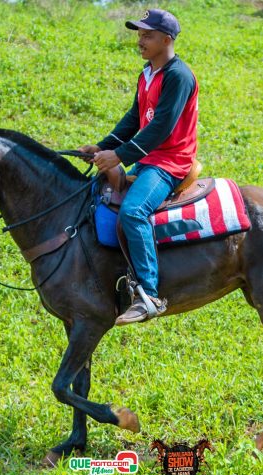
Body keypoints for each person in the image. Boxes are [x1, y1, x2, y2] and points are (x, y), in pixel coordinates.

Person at [79, 8, 199, 325]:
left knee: (132, 211)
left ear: (166, 39)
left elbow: (161, 127)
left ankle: (149, 295)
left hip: (170, 162)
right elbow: (134, 120)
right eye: (139, 34)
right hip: (148, 158)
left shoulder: (178, 76)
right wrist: (103, 146)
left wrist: (119, 157)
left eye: (147, 35)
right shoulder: (147, 74)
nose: (139, 41)